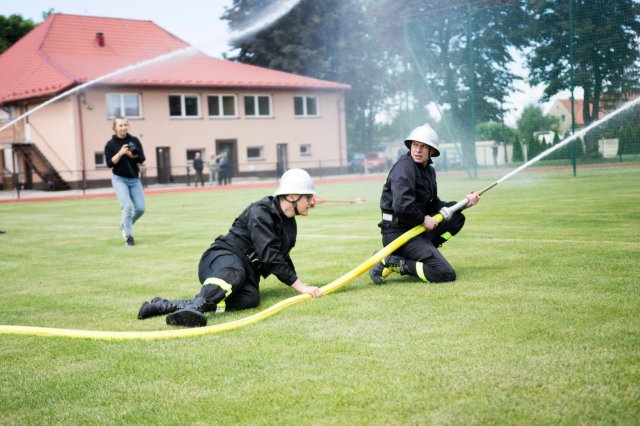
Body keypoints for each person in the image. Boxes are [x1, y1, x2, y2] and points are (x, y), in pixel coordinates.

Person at [138, 168, 322, 327]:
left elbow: (281, 256)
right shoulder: (261, 212)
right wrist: (299, 286)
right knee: (234, 273)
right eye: (308, 197)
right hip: (221, 258)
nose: (312, 202)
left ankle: (166, 306)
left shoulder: (289, 223)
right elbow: (269, 255)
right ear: (292, 196)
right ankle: (195, 308)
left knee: (250, 299)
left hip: (246, 270)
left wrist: (299, 282)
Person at [369, 123, 480, 285]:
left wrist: (463, 204)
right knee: (445, 273)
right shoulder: (404, 168)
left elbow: (434, 205)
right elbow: (402, 207)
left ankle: (420, 251)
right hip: (398, 234)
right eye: (415, 145)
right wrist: (422, 219)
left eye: (423, 146)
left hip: (415, 229)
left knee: (457, 218)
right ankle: (395, 263)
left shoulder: (428, 171)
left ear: (432, 151)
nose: (418, 150)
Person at [104, 116, 146, 247]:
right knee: (127, 206)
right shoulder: (110, 144)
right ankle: (128, 236)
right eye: (120, 125)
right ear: (115, 127)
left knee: (140, 208)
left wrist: (133, 156)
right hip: (119, 179)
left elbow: (141, 158)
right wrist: (121, 153)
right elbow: (110, 163)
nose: (123, 128)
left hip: (134, 179)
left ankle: (124, 224)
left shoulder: (134, 140)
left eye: (125, 125)